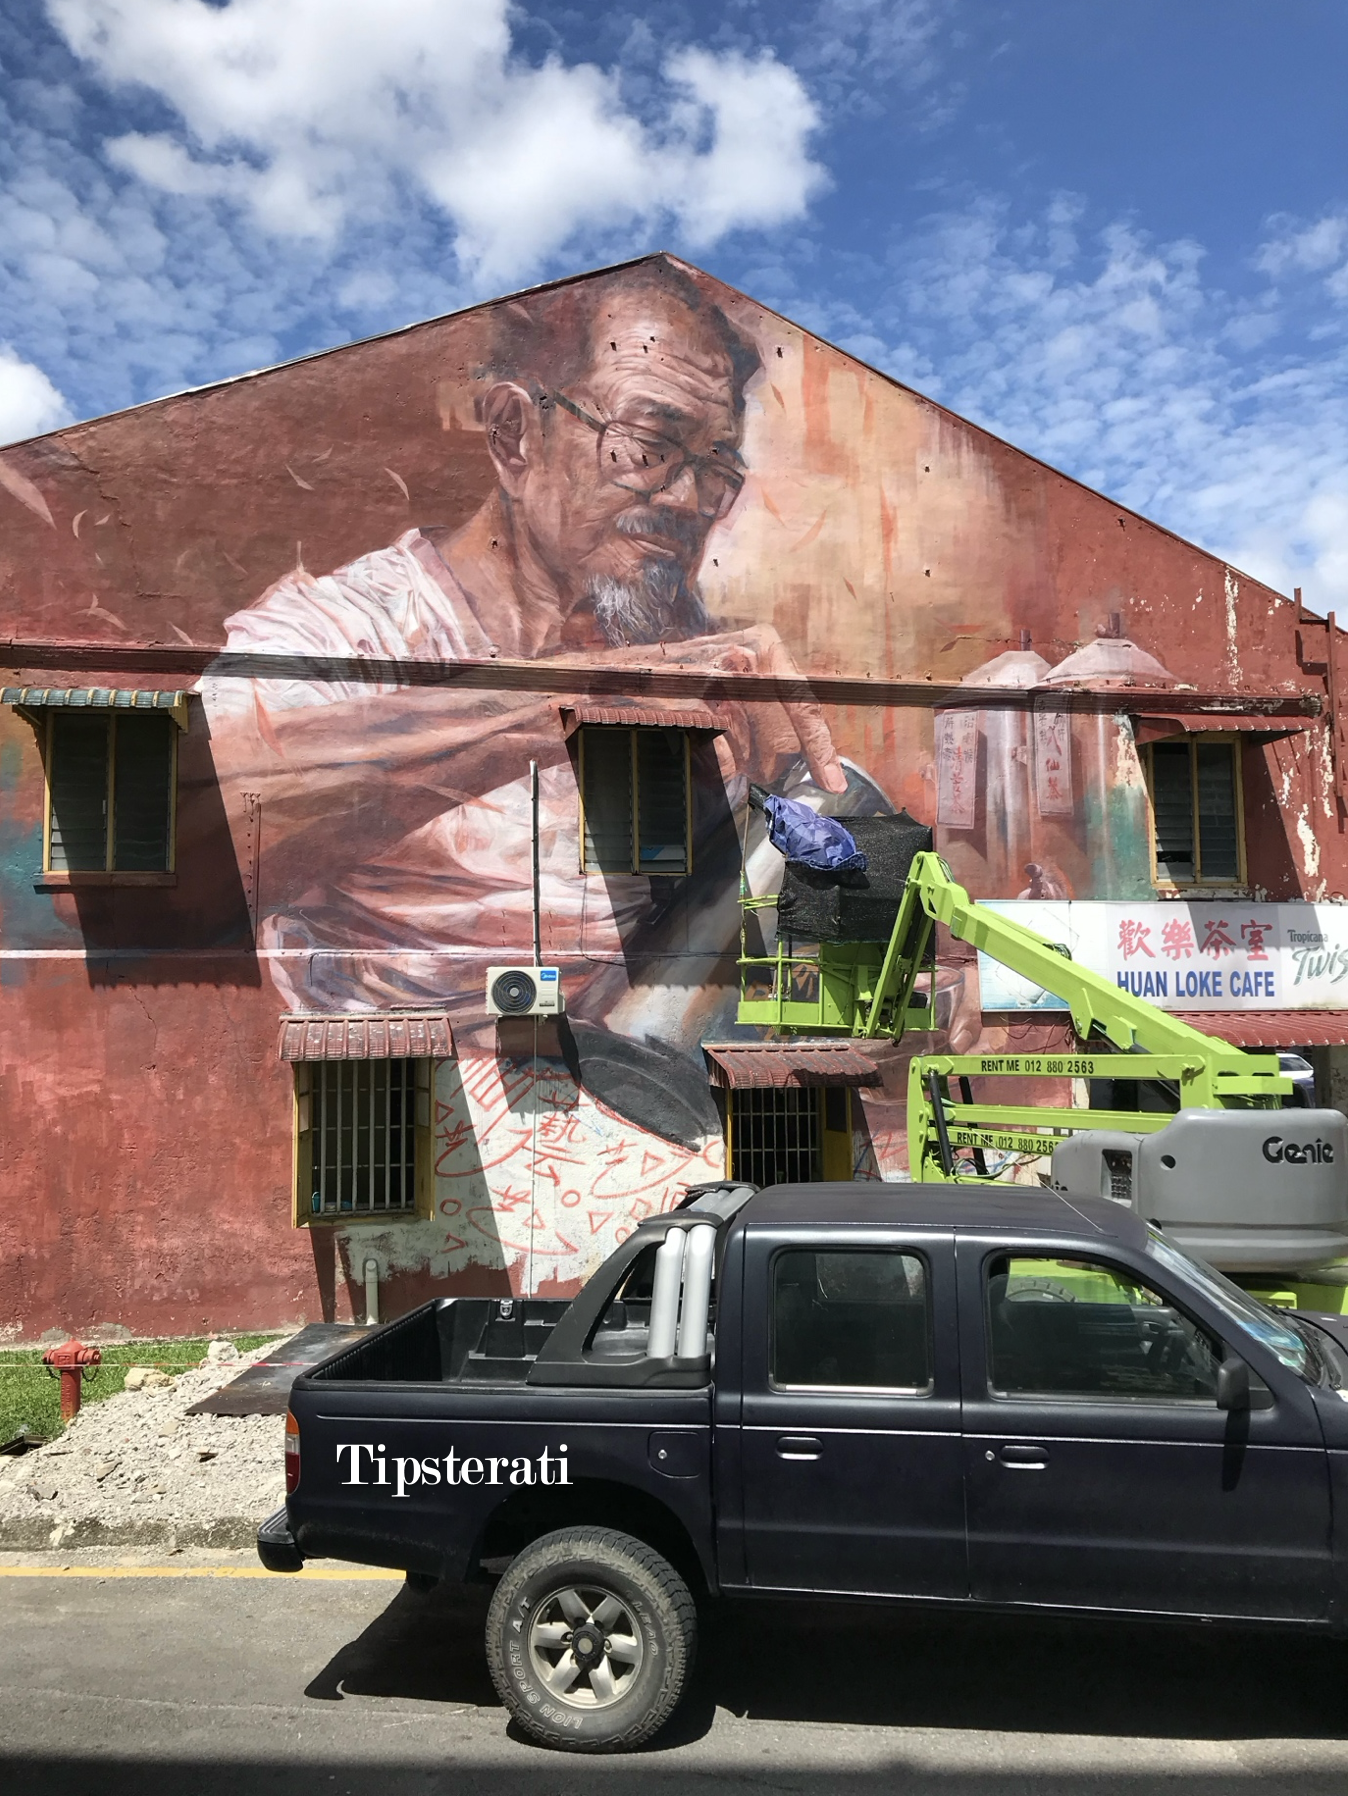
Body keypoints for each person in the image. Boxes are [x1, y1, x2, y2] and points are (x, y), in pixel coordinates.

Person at [201, 260, 845, 1041]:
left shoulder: (700, 662)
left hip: (653, 1114)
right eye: (648, 447)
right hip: (393, 1120)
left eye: (716, 470)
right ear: (514, 435)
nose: (686, 501)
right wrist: (569, 702)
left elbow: (760, 926)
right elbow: (186, 831)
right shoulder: (349, 629)